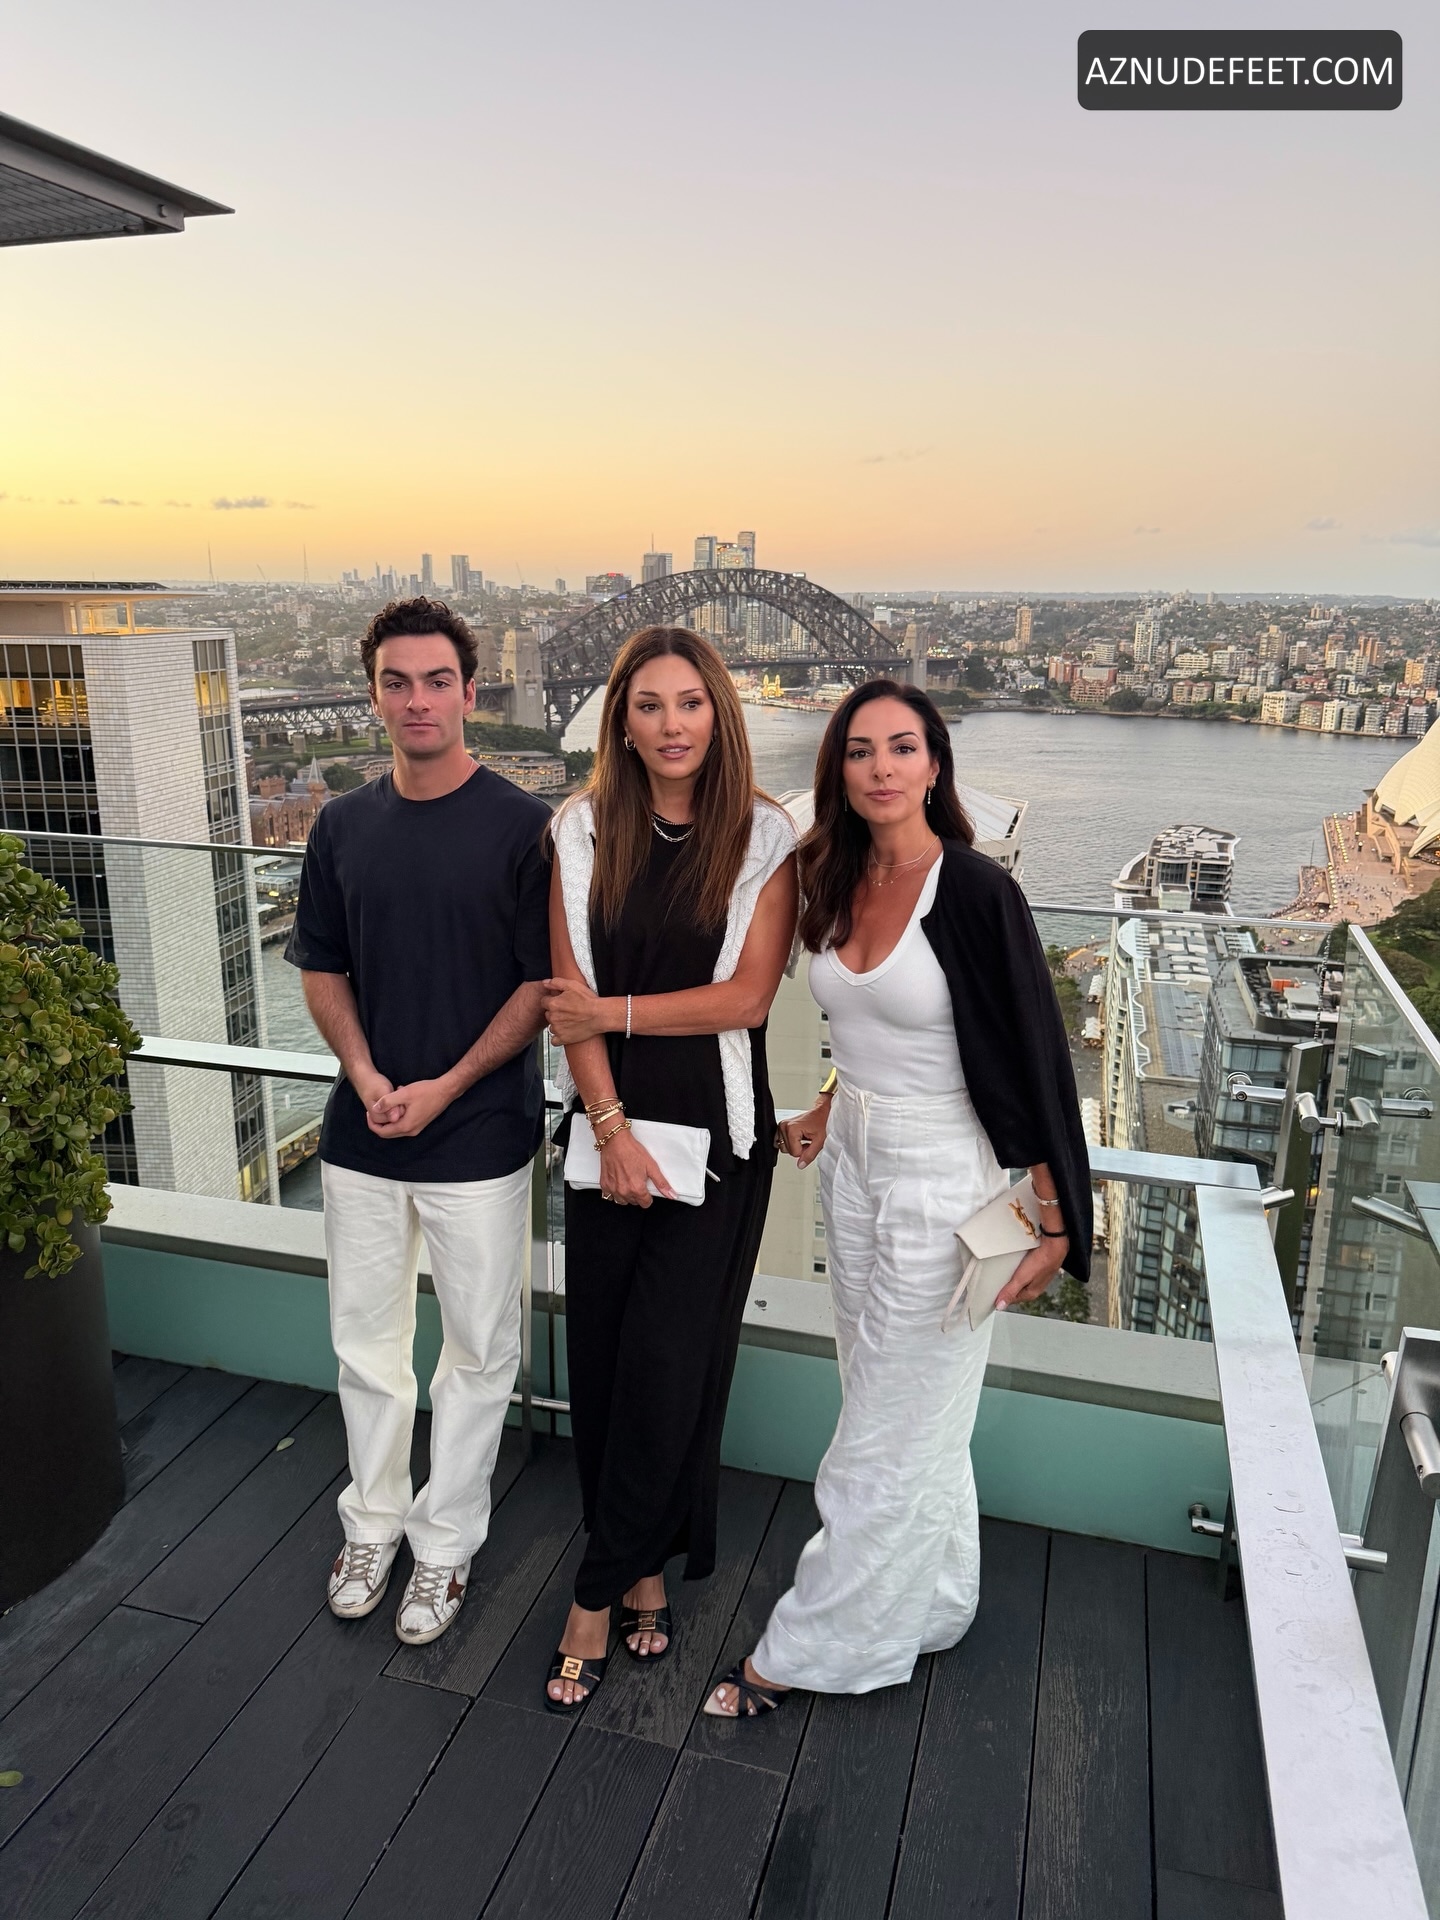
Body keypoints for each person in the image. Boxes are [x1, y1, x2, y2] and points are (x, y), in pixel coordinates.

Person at [703, 678, 1091, 1718]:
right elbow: (870, 1026)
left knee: (886, 1426)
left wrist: (1054, 1220)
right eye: (860, 749)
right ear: (839, 768)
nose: (881, 767)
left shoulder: (973, 891)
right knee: (898, 1403)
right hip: (854, 1163)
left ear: (934, 766)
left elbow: (1027, 1057)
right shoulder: (837, 876)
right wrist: (830, 1102)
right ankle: (936, 1603)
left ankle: (814, 1645)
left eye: (902, 747)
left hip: (945, 1175)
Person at [540, 626, 797, 1711]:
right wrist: (609, 1129)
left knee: (672, 1368)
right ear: (622, 722)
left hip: (720, 1143)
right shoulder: (581, 829)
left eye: (690, 702)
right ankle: (642, 1569)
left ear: (719, 713)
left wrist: (617, 1013)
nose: (671, 724)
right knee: (603, 1364)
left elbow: (747, 999)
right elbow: (566, 998)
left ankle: (592, 1595)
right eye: (648, 705)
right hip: (612, 1137)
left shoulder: (764, 836)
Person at [287, 597, 550, 1646]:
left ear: (470, 692)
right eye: (396, 683)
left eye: (437, 681)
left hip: (478, 1138)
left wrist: (443, 1086)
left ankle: (445, 1542)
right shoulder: (341, 826)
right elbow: (321, 967)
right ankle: (373, 1524)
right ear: (374, 696)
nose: (417, 700)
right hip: (362, 1134)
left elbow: (540, 988)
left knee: (479, 1352)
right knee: (366, 1342)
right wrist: (363, 1073)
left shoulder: (524, 829)